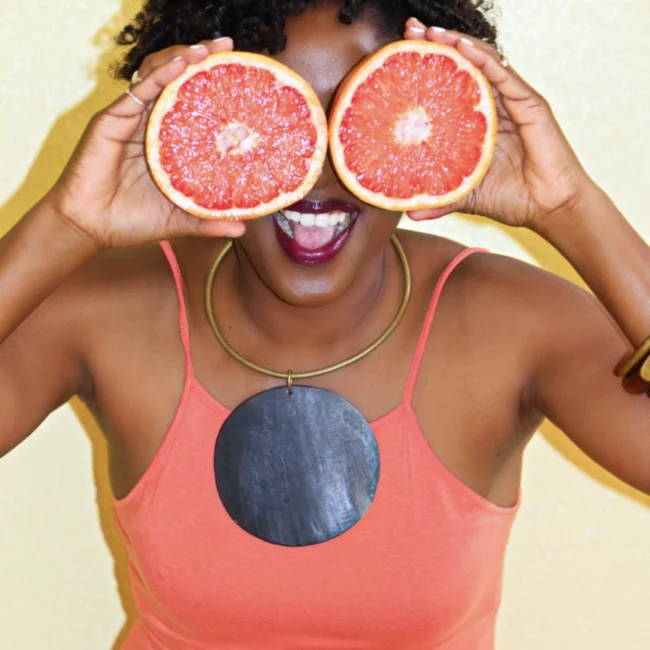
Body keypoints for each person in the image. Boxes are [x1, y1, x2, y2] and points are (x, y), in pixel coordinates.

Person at [1, 0, 649, 648]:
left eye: (357, 115)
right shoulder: (107, 312)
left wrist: (570, 205)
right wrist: (67, 227)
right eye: (283, 117)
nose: (319, 172)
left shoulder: (514, 326)